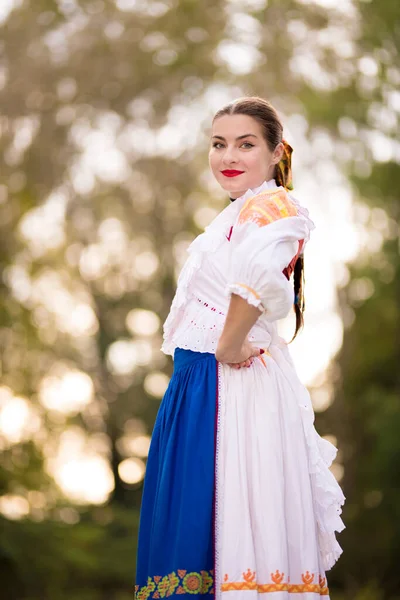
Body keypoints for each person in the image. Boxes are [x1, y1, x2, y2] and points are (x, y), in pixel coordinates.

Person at [134, 97, 345, 600]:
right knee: (192, 544)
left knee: (228, 534)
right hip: (199, 384)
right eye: (218, 143)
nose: (228, 155)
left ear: (276, 153)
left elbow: (256, 279)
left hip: (229, 390)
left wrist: (228, 347)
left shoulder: (273, 205)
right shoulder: (237, 214)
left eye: (246, 144)